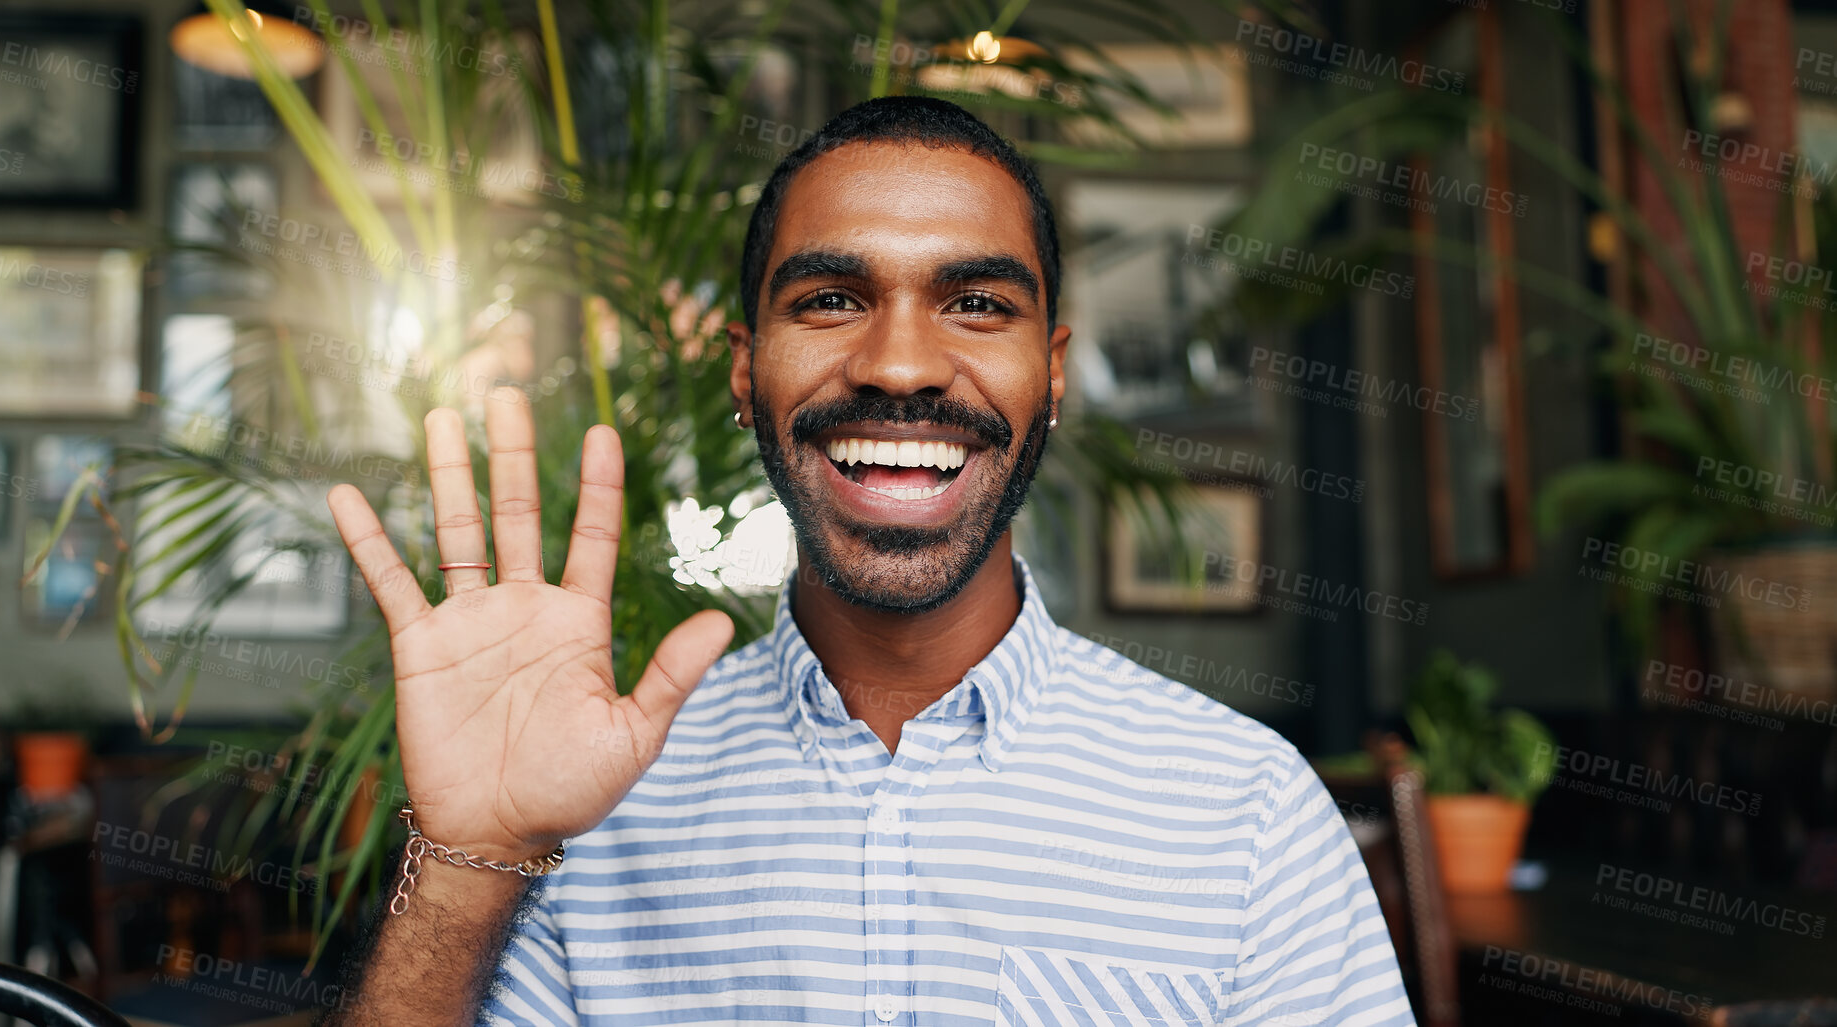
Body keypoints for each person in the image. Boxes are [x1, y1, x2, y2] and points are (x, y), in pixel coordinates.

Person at [321, 96, 1415, 1026]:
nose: (900, 364)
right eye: (832, 299)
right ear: (745, 370)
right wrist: (467, 860)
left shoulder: (1249, 811)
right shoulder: (587, 800)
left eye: (978, 304)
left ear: (1055, 369)